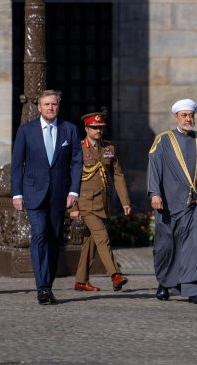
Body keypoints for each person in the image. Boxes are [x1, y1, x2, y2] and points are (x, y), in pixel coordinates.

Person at [147, 98, 197, 304]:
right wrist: (155, 194)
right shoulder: (163, 140)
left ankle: (194, 290)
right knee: (167, 247)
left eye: (191, 115)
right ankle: (165, 283)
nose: (188, 119)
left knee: (196, 246)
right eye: (184, 115)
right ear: (176, 117)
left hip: (196, 205)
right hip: (168, 205)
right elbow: (154, 169)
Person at [11, 89, 82, 305]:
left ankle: (48, 285)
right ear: (39, 107)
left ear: (58, 107)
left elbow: (77, 161)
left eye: (54, 104)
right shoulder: (26, 131)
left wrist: (73, 191)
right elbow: (17, 164)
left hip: (59, 195)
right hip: (34, 193)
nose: (50, 108)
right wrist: (17, 193)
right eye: (46, 104)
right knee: (40, 234)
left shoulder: (68, 130)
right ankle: (41, 286)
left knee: (53, 239)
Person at [69, 112, 131, 292]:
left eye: (100, 127)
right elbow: (70, 179)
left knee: (91, 241)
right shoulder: (79, 149)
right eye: (94, 128)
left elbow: (118, 175)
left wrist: (125, 201)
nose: (98, 130)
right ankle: (115, 274)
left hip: (102, 203)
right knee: (102, 238)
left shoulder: (109, 148)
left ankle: (81, 281)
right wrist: (73, 207)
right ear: (86, 129)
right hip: (85, 202)